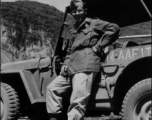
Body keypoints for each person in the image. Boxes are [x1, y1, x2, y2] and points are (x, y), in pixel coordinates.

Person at [46, 0, 120, 120]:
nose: (76, 13)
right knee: (52, 88)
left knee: (77, 99)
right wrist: (66, 63)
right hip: (71, 66)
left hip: (86, 64)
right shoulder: (73, 29)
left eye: (79, 10)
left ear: (85, 11)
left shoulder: (94, 23)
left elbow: (114, 28)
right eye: (74, 11)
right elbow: (70, 50)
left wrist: (99, 46)